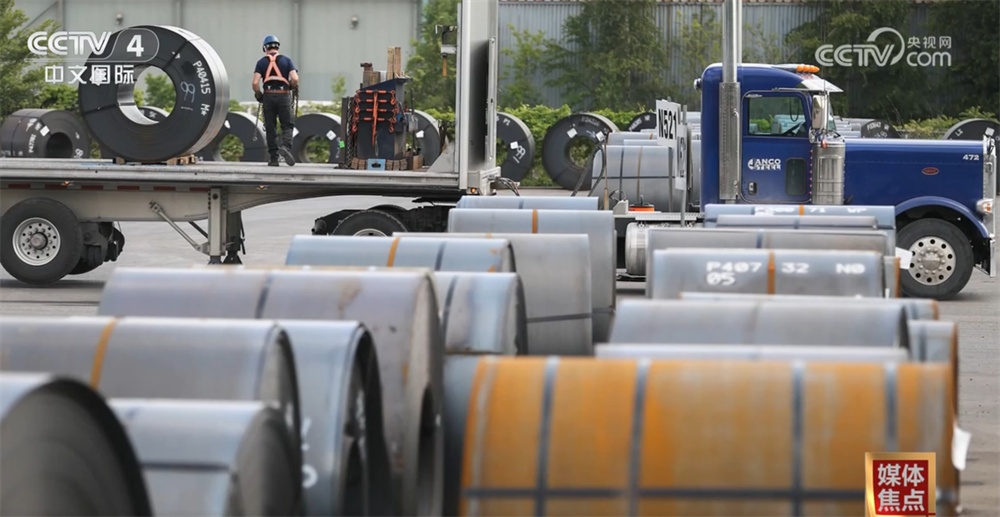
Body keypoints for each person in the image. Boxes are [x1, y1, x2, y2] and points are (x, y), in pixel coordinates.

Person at [252, 35, 298, 166]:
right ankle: (285, 147)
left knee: (270, 127)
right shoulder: (287, 61)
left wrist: (259, 95)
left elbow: (255, 83)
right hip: (283, 95)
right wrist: (290, 87)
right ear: (277, 47)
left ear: (265, 48)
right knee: (287, 125)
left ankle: (273, 159)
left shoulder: (261, 62)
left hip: (268, 97)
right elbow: (295, 78)